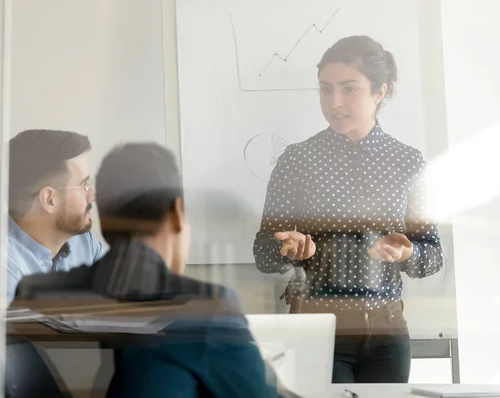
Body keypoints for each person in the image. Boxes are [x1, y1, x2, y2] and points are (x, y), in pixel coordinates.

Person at [15, 142, 299, 398]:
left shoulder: (36, 293)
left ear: (105, 220)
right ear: (177, 213)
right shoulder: (206, 311)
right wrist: (267, 378)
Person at [254, 35, 445, 383]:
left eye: (349, 89)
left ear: (380, 91)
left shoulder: (408, 162)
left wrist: (407, 254)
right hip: (316, 329)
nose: (335, 102)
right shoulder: (298, 160)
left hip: (387, 334)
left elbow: (433, 255)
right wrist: (290, 250)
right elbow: (264, 253)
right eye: (326, 90)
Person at [5, 129, 104, 303]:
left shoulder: (83, 241)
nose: (93, 196)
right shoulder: (6, 270)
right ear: (49, 200)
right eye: (84, 186)